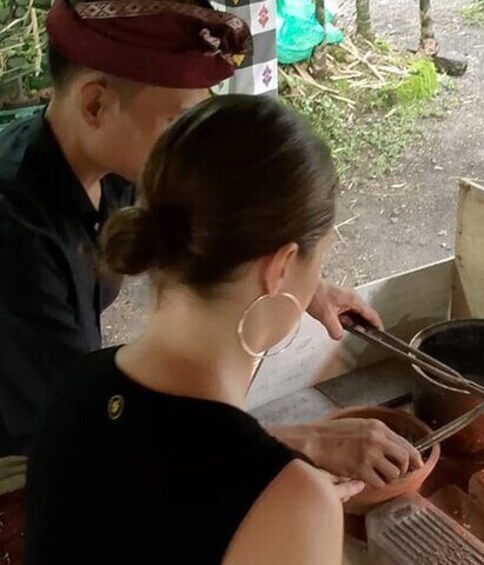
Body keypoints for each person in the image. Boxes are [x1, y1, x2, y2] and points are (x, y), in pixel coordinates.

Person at [0, 0, 420, 486]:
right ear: (95, 104)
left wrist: (297, 282)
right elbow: (89, 441)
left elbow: (210, 224)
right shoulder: (17, 239)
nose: (196, 148)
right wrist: (299, 442)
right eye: (180, 124)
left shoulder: (114, 161)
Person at [25, 94, 364, 563]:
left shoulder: (73, 389)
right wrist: (297, 509)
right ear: (281, 267)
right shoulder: (289, 502)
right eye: (319, 261)